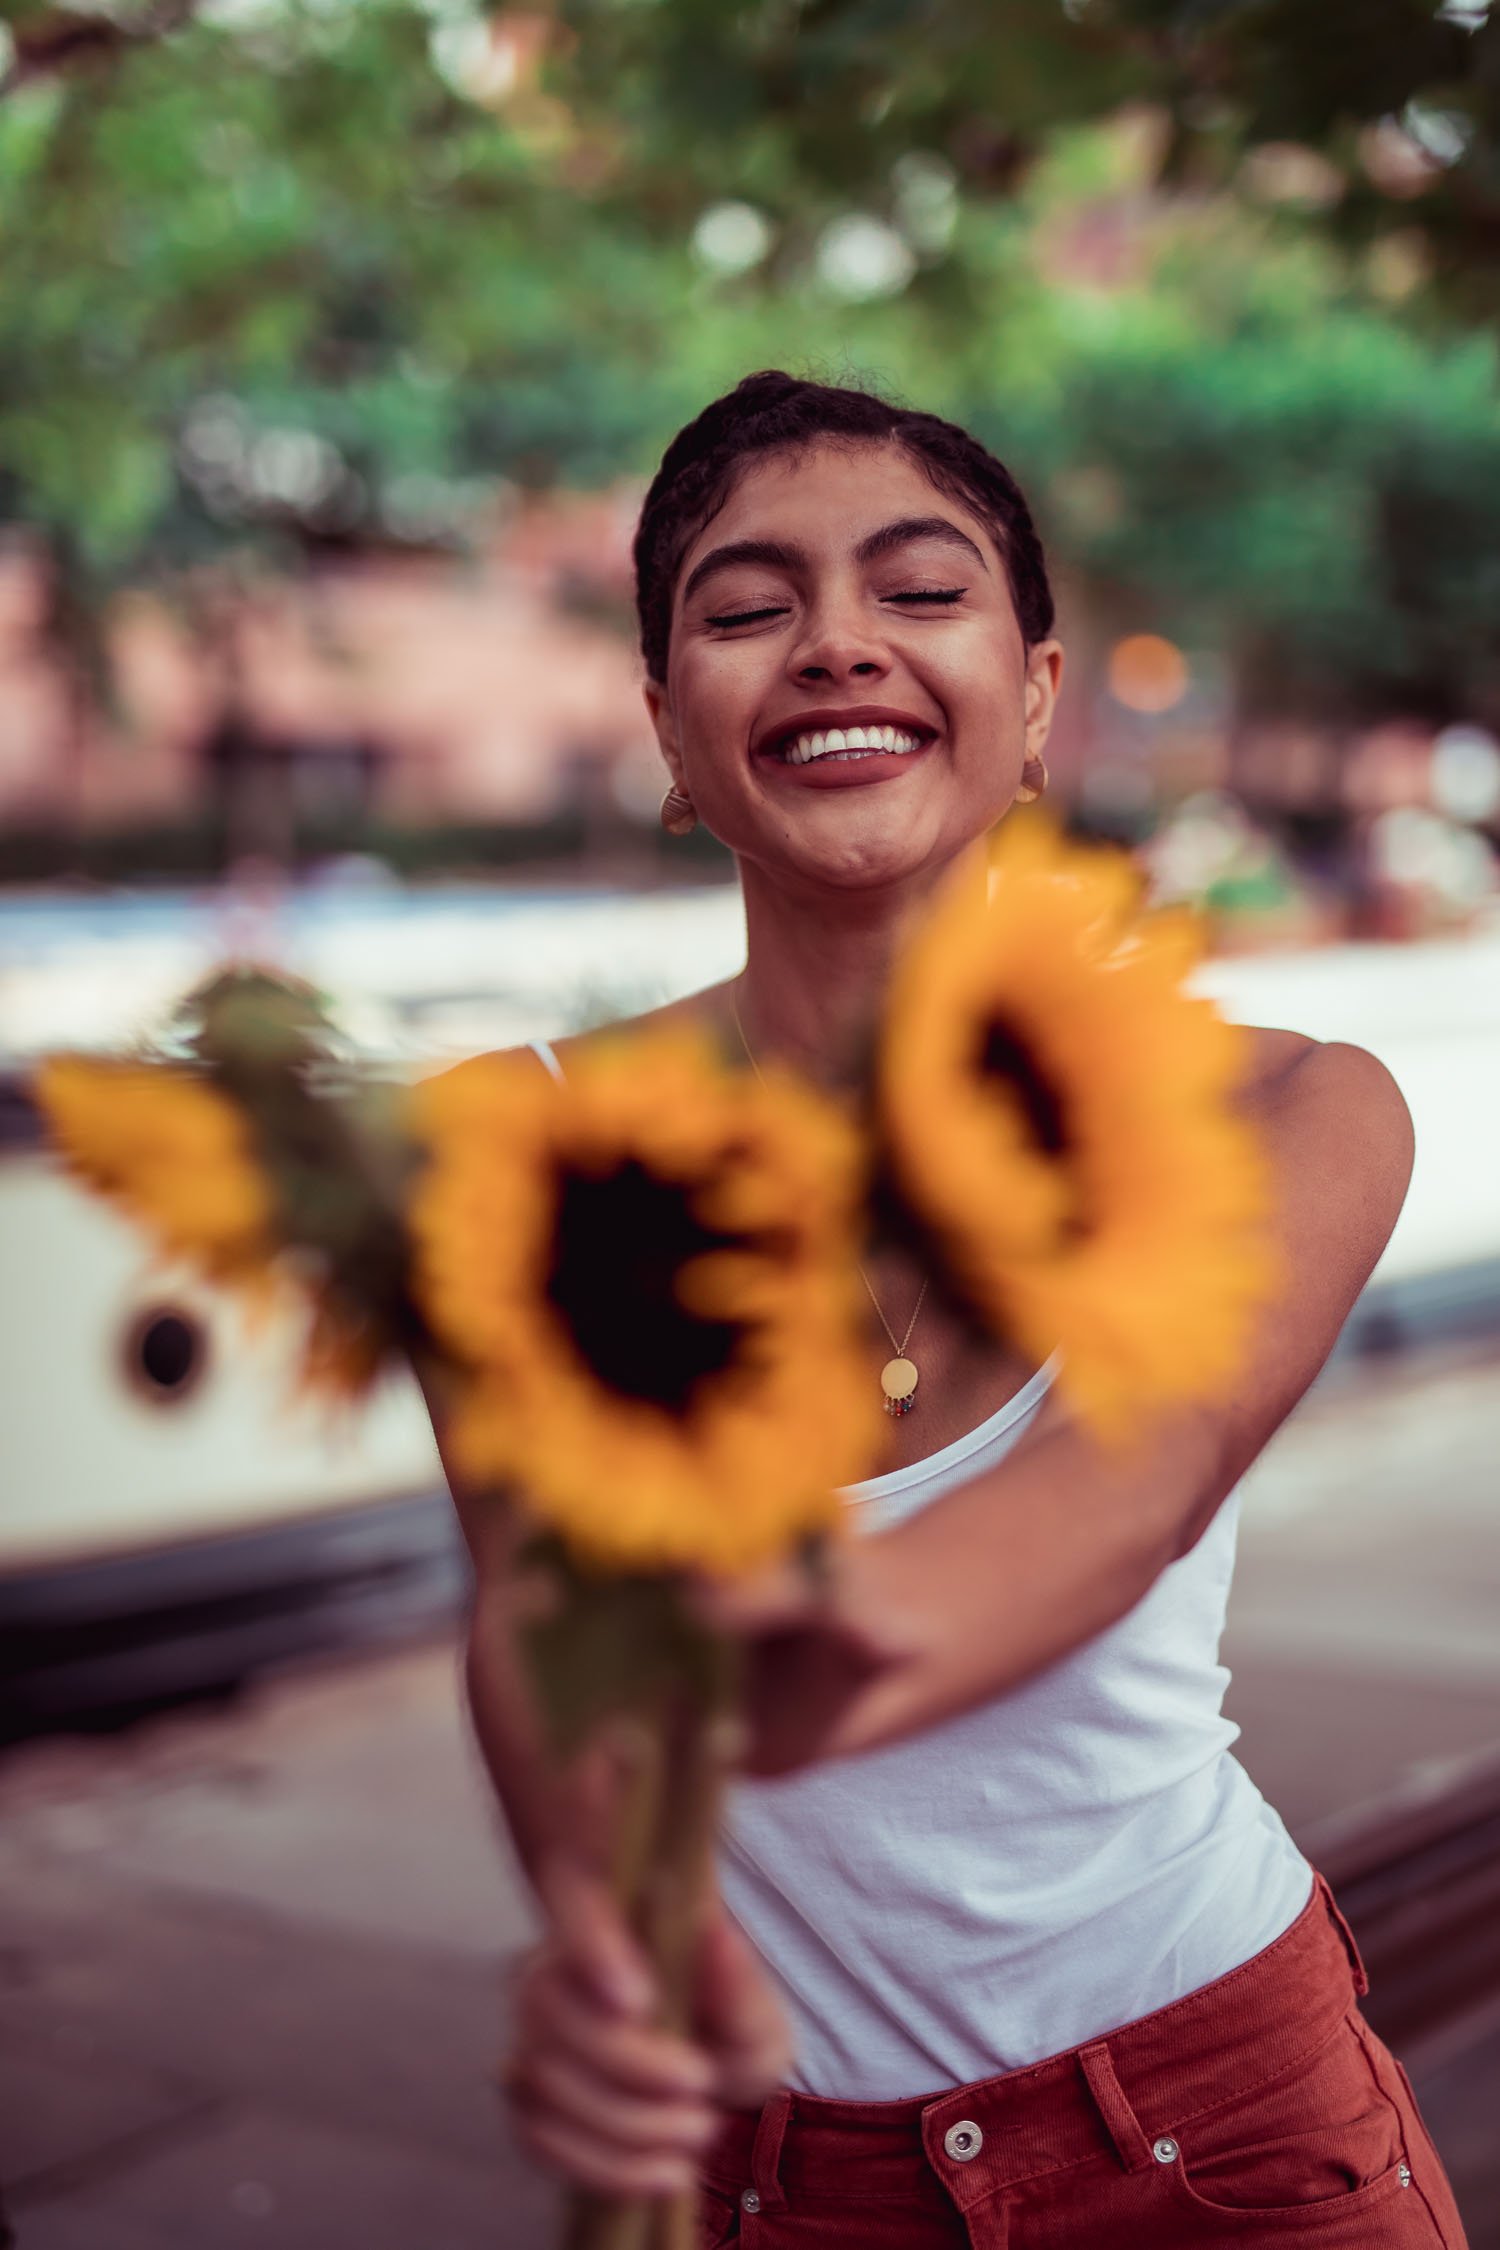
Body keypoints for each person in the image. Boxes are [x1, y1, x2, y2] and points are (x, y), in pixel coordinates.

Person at [424, 373, 1468, 2246]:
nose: (836, 645)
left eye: (919, 592)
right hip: (772, 2174)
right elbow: (532, 1622)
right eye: (747, 611)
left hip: (1231, 2125)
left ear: (1038, 700)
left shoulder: (1287, 1111)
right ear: (672, 730)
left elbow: (1118, 1492)